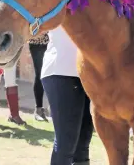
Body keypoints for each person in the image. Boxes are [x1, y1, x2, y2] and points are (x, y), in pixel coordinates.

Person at [41, 26, 93, 165]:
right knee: (66, 142)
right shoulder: (59, 3)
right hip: (61, 70)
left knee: (83, 142)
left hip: (88, 73)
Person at [28, 33, 49, 121]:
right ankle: (39, 110)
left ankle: (54, 109)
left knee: (53, 75)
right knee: (40, 74)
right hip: (37, 43)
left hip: (53, 43)